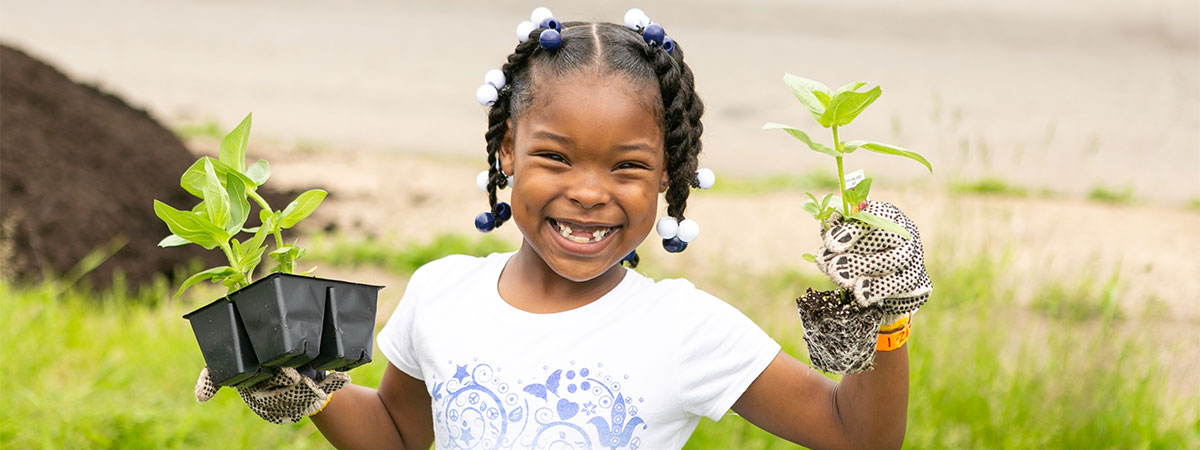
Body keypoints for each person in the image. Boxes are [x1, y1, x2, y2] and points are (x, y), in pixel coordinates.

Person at [195, 8, 931, 449]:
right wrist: (308, 386)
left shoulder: (685, 327)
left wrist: (884, 315)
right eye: (554, 156)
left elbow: (856, 434)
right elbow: (397, 434)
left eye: (626, 167)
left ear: (669, 175)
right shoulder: (442, 292)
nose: (588, 193)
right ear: (507, 149)